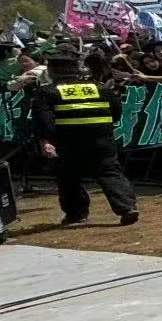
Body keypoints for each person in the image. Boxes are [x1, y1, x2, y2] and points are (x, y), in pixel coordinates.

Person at [32, 53, 139, 227]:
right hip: (102, 139)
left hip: (68, 142)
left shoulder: (46, 92)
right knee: (110, 172)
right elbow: (117, 111)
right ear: (77, 69)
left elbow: (44, 121)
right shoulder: (100, 88)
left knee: (68, 176)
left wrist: (46, 140)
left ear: (51, 71)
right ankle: (127, 208)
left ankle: (76, 214)